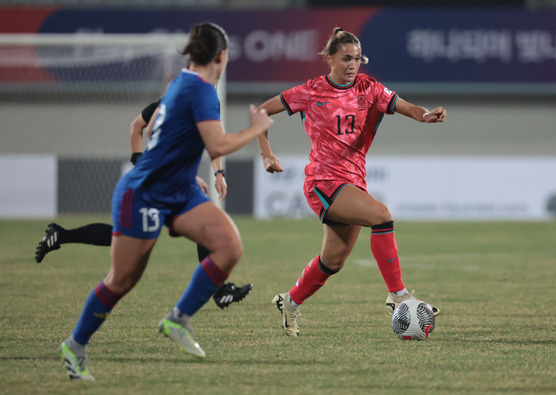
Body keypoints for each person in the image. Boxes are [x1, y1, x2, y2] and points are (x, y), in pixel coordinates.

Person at [59, 21, 273, 380]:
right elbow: (216, 145)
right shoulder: (202, 91)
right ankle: (75, 345)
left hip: (179, 190)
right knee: (121, 281)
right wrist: (256, 129)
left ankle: (178, 319)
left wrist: (185, 174)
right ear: (221, 56)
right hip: (142, 194)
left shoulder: (180, 84)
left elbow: (158, 126)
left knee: (228, 245)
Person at [257, 27, 445, 337]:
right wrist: (266, 153)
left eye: (357, 59)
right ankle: (397, 294)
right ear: (329, 58)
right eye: (345, 58)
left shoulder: (369, 88)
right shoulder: (310, 91)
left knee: (332, 261)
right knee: (382, 216)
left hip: (352, 182)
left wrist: (425, 116)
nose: (352, 65)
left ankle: (289, 303)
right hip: (323, 182)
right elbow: (262, 111)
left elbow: (408, 107)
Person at [34, 99, 251, 310]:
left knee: (128, 237)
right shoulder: (191, 99)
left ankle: (61, 235)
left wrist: (141, 164)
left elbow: (137, 126)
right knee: (201, 227)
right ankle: (213, 294)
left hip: (159, 176)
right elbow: (169, 139)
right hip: (161, 178)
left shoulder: (183, 97)